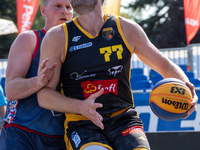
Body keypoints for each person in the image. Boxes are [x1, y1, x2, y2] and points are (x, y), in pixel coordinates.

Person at [37, 0, 198, 150]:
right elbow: (44, 95)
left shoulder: (126, 29)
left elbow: (164, 65)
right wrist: (80, 106)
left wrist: (186, 86)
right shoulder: (57, 37)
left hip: (124, 120)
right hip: (81, 123)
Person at [0, 0, 73, 149]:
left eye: (69, 7)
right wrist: (38, 82)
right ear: (44, 11)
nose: (64, 11)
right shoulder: (29, 38)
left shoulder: (79, 47)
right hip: (21, 134)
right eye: (58, 6)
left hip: (59, 138)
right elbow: (11, 90)